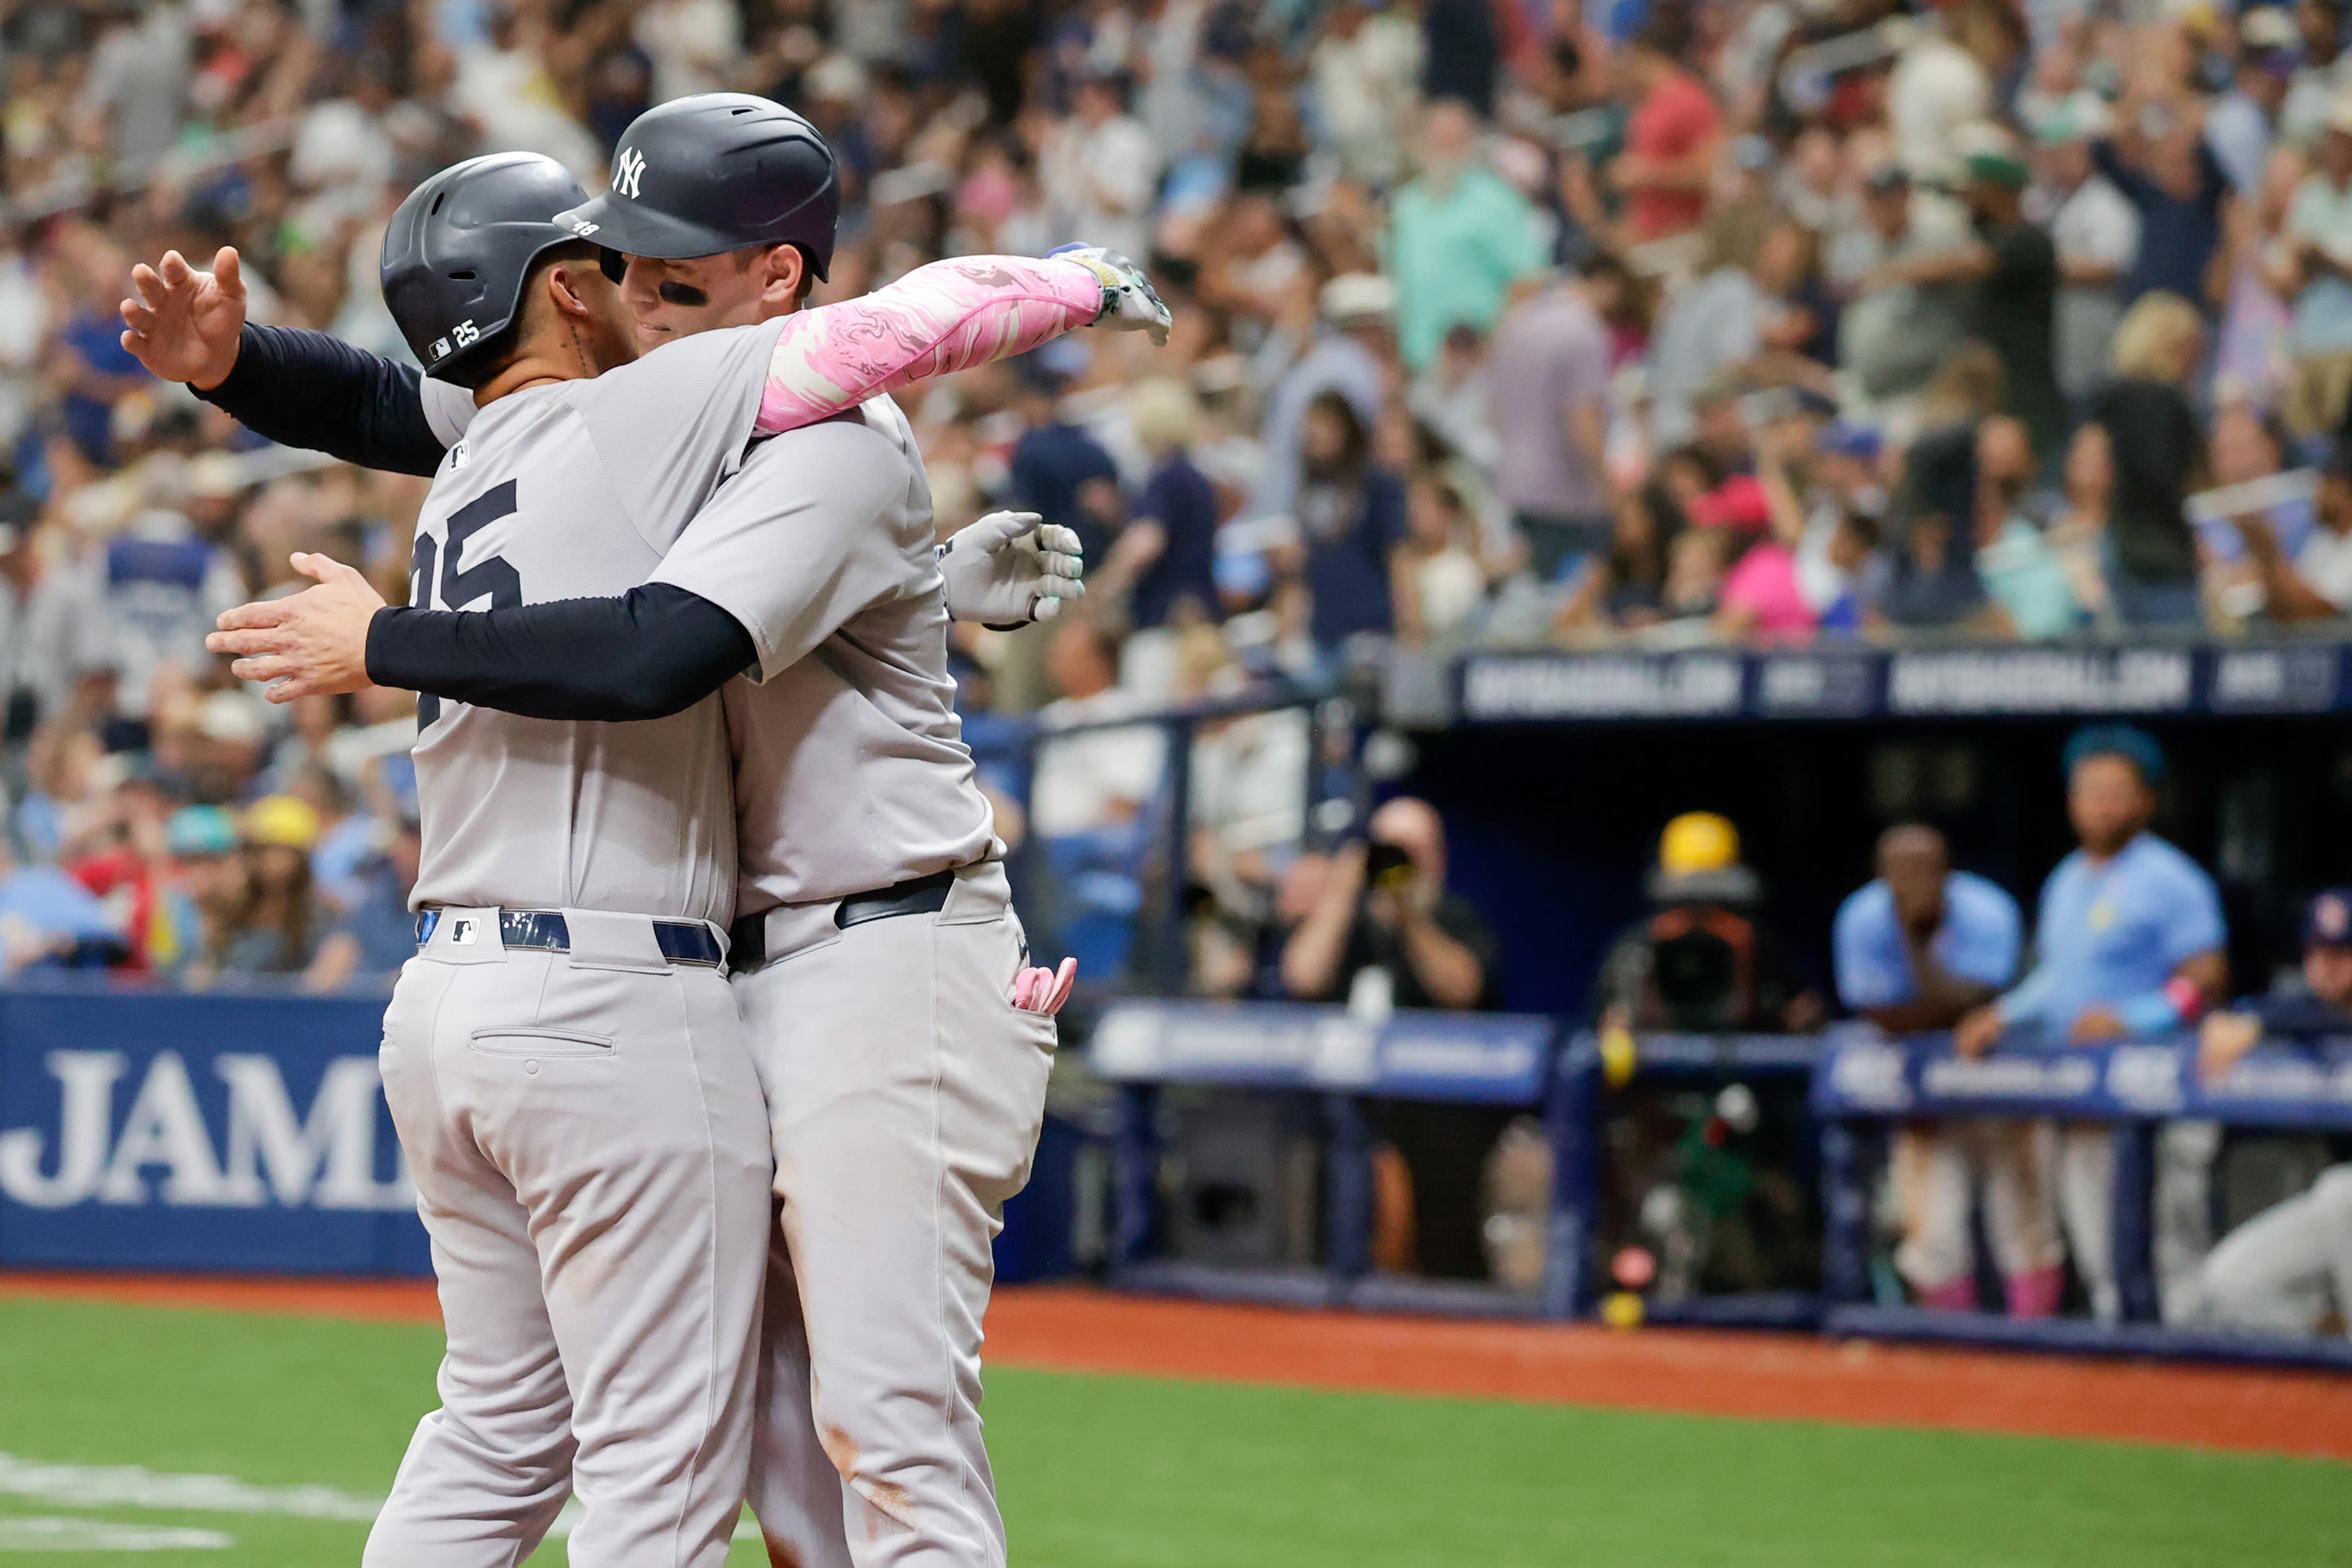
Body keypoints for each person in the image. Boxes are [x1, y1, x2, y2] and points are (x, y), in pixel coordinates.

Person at [155, 117, 1164, 1565]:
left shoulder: (758, 425)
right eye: (616, 258)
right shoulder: (619, 410)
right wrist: (243, 376)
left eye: (671, 268)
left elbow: (662, 632)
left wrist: (925, 568)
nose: (638, 284)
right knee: (754, 1446)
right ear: (565, 289)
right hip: (678, 971)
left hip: (877, 949)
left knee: (867, 1427)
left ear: (769, 277)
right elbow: (415, 417)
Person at [1955, 725, 2229, 1323]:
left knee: (2167, 1257)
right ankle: (2127, 1402)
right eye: (2089, 791)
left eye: (2116, 791)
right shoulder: (2067, 881)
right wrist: (2000, 1013)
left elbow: (2206, 979)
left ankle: (2198, 1392)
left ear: (2146, 800)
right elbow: (2058, 979)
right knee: (2102, 1258)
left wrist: (2137, 1016)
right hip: (2083, 1097)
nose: (2102, 804)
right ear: (2071, 801)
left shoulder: (2169, 877)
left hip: (2157, 1093)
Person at [1835, 825, 2056, 1314]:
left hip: (2004, 1076)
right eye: (1901, 872)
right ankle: (1951, 1364)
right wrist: (1921, 966)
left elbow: (1977, 1000)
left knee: (2023, 1226)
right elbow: (1878, 1011)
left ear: (1947, 871)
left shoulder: (1987, 909)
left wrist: (1916, 955)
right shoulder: (1861, 916)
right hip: (1919, 1088)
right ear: (1880, 877)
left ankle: (2036, 1349)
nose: (1915, 881)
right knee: (1933, 1237)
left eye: (1926, 869)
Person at [1280, 797, 1502, 1279]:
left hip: (1434, 1118)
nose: (1398, 862)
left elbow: (1464, 988)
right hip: (1346, 1107)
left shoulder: (1454, 917)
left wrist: (1409, 915)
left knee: (1442, 1244)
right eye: (1388, 850)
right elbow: (1302, 976)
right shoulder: (1347, 922)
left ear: (1438, 858)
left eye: (1412, 851)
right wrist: (1342, 890)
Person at [2171, 888, 2352, 1338]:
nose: (2328, 963)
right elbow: (2259, 1013)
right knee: (2232, 1279)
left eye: (2345, 952)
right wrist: (2241, 1020)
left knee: (2338, 1191)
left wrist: (2261, 1024)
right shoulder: (2302, 1011)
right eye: (2319, 950)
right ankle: (2328, 1353)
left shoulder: (2306, 1019)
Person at [1594, 812, 1821, 1035]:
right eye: (1685, 903)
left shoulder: (1758, 947)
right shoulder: (1636, 950)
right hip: (1656, 1071)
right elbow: (1595, 1037)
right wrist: (1623, 1023)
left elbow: (1805, 1021)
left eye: (1717, 904)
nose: (1700, 920)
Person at [1381, 98, 1546, 372]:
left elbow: (1527, 282)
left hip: (1481, 362)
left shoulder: (1498, 201)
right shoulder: (1407, 205)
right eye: (1437, 138)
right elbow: (1399, 281)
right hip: (1422, 364)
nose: (1444, 148)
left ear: (1470, 142)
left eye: (1453, 139)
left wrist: (1493, 348)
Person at [1486, 260, 1616, 581]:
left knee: (1531, 594)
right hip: (1563, 494)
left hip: (1516, 482)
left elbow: (1494, 411)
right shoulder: (1582, 332)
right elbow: (1583, 420)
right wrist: (1607, 489)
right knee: (1563, 601)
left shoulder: (1515, 326)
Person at [2085, 293, 2209, 626]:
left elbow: (2091, 474)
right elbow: (2164, 480)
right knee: (2185, 661)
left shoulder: (2111, 401)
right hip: (2159, 559)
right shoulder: (2166, 404)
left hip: (2118, 547)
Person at [2273, 98, 2352, 443]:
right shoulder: (2309, 196)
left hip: (2348, 344)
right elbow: (2288, 273)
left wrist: (2326, 259)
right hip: (2308, 340)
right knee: (2303, 443)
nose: (2333, 146)